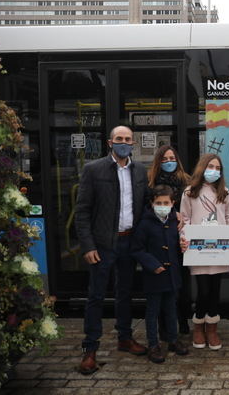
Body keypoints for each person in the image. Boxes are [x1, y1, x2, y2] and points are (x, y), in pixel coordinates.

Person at [75, 125, 148, 375]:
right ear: (110, 142)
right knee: (96, 296)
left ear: (133, 144)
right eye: (119, 139)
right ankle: (90, 349)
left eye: (128, 139)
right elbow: (82, 211)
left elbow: (145, 205)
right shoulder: (93, 170)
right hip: (103, 244)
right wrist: (88, 245)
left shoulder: (140, 171)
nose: (124, 143)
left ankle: (124, 338)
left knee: (125, 293)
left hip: (129, 242)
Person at [180, 153, 229, 350]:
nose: (214, 171)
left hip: (220, 251)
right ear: (202, 168)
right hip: (198, 251)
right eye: (210, 166)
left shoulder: (225, 194)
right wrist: (184, 237)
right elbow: (185, 219)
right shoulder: (189, 193)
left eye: (217, 168)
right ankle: (199, 325)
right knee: (203, 291)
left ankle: (212, 328)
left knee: (215, 291)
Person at [131, 185, 188, 363]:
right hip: (154, 276)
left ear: (173, 203)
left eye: (166, 202)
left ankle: (172, 339)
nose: (162, 205)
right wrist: (152, 265)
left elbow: (177, 244)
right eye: (158, 203)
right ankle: (153, 344)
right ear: (152, 203)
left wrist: (182, 247)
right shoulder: (145, 223)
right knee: (153, 311)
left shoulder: (174, 221)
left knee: (171, 309)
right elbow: (137, 249)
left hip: (171, 275)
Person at [147, 145, 192, 336]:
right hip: (158, 239)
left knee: (182, 284)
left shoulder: (187, 181)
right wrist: (174, 213)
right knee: (161, 284)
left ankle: (182, 322)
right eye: (164, 159)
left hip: (181, 239)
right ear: (158, 161)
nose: (168, 162)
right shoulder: (150, 183)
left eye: (172, 158)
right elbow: (147, 210)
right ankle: (164, 327)